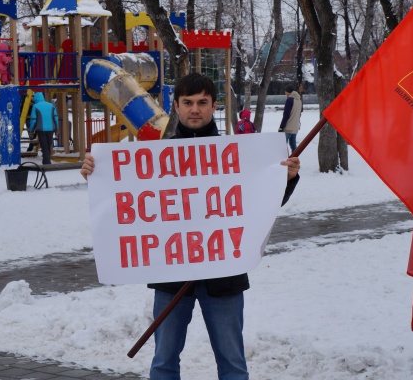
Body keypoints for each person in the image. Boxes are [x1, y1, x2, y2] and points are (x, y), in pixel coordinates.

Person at [80, 72, 301, 380]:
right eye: (187, 102)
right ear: (176, 106)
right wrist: (98, 174)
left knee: (233, 365)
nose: (195, 109)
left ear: (214, 106)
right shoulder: (154, 158)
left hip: (224, 276)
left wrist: (286, 179)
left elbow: (262, 204)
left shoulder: (239, 155)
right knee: (163, 363)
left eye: (202, 102)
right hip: (171, 276)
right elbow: (127, 203)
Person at [29, 92, 59, 165]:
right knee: (48, 145)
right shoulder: (51, 105)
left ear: (36, 98)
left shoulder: (35, 106)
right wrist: (57, 128)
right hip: (51, 129)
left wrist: (31, 130)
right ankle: (46, 161)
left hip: (41, 130)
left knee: (44, 146)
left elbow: (33, 119)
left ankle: (47, 163)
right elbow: (55, 117)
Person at [278, 84, 302, 154]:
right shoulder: (299, 100)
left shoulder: (289, 100)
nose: (285, 93)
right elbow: (299, 113)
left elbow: (286, 115)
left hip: (288, 127)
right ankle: (295, 158)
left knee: (283, 146)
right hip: (295, 127)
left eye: (285, 92)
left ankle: (284, 159)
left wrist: (282, 126)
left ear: (288, 92)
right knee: (293, 146)